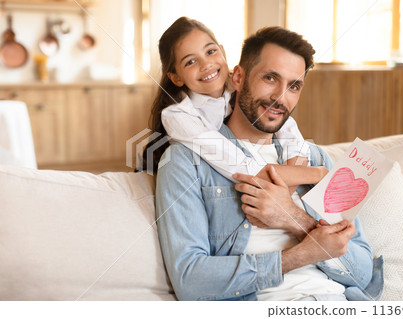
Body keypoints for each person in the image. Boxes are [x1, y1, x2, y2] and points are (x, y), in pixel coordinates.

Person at [155, 26, 383, 301]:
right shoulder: (186, 162)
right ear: (238, 77)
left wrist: (295, 220)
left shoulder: (315, 157)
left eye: (294, 86)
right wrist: (301, 255)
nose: (280, 97)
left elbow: (361, 274)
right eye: (270, 78)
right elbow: (190, 281)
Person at [147, 17, 327, 190]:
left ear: (223, 52)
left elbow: (289, 130)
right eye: (190, 61)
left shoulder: (241, 87)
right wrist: (317, 174)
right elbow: (242, 167)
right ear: (176, 77)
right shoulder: (178, 116)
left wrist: (289, 192)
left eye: (210, 51)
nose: (206, 64)